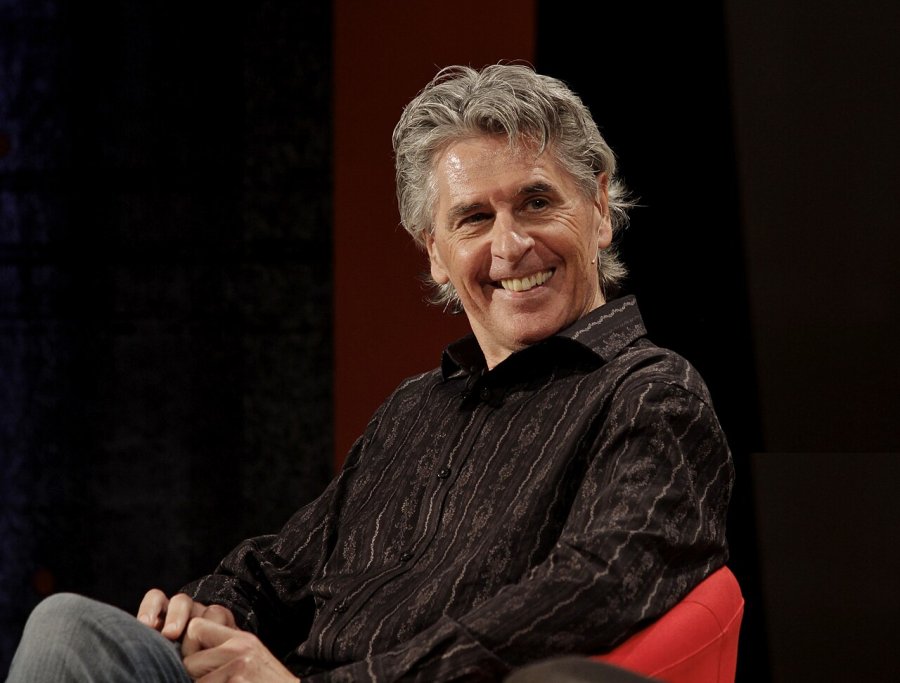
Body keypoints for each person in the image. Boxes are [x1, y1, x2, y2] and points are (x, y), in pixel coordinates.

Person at [5, 63, 733, 682]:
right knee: (71, 628)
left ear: (600, 209)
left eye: (537, 202)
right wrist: (215, 608)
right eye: (473, 219)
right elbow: (283, 566)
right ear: (435, 253)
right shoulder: (417, 409)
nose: (510, 245)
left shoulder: (651, 394)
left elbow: (588, 595)